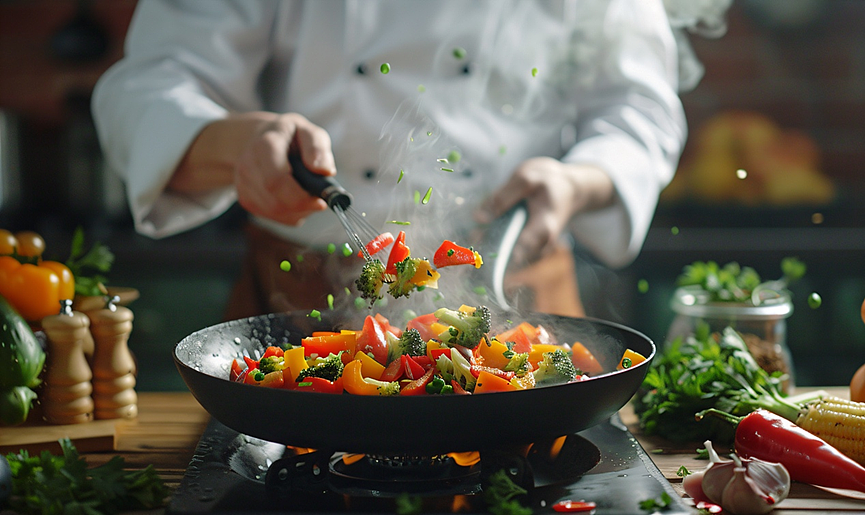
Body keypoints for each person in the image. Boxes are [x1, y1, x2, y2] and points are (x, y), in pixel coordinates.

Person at [92, 0, 720, 321]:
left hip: (517, 283)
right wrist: (238, 146)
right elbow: (150, 82)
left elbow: (639, 105)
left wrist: (579, 180)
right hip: (298, 299)